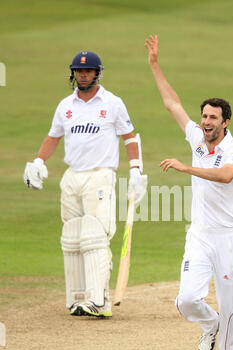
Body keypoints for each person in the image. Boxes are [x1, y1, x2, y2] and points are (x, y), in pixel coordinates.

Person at [145, 35, 233, 350]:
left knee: (232, 304)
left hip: (230, 238)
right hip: (200, 234)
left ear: (225, 122)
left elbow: (225, 175)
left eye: (212, 118)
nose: (205, 121)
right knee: (187, 299)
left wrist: (187, 169)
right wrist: (155, 65)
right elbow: (172, 104)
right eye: (203, 116)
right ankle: (209, 323)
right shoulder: (196, 139)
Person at [24, 51, 147, 318]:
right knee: (72, 236)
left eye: (88, 71)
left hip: (100, 174)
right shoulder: (65, 105)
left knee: (95, 235)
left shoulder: (112, 103)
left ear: (97, 73)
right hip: (72, 176)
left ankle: (99, 300)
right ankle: (78, 298)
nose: (83, 75)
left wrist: (136, 169)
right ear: (73, 74)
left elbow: (129, 137)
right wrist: (38, 161)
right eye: (79, 71)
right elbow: (53, 137)